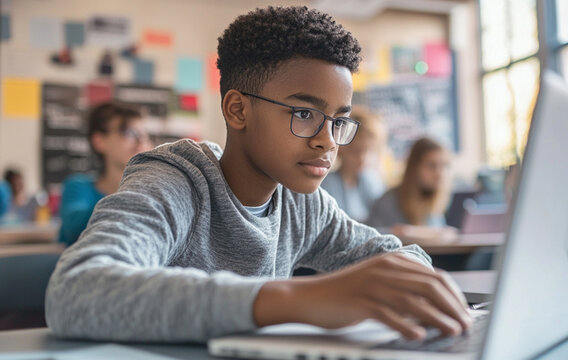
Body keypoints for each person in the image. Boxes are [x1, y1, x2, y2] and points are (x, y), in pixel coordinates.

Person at [45, 6, 471, 344]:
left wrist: (409, 278)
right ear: (237, 109)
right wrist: (303, 298)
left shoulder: (303, 202)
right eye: (304, 114)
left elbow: (400, 260)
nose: (328, 142)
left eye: (338, 120)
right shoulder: (175, 181)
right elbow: (76, 290)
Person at [57, 102, 152, 246]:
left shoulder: (151, 193)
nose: (141, 142)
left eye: (145, 136)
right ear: (99, 141)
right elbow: (73, 227)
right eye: (129, 133)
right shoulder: (78, 186)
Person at [367, 137, 454, 239]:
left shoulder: (433, 205)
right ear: (414, 168)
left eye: (445, 166)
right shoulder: (389, 200)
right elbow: (372, 235)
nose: (440, 174)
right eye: (432, 166)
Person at [321, 105, 386, 222]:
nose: (363, 159)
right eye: (356, 152)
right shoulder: (327, 184)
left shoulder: (371, 180)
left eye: (369, 151)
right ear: (340, 148)